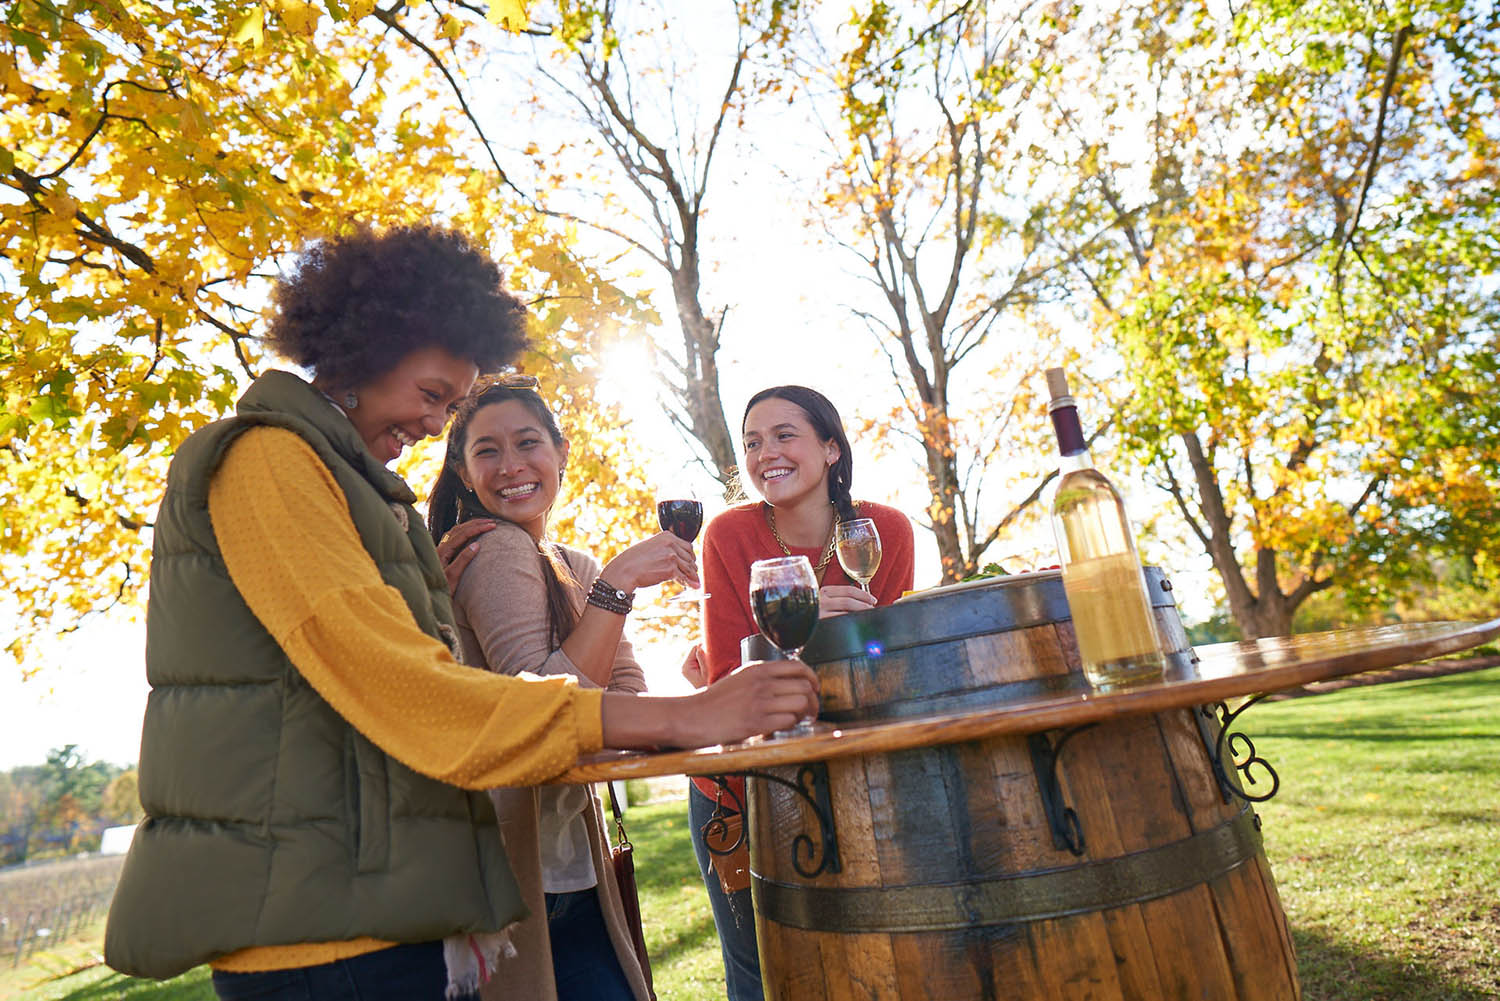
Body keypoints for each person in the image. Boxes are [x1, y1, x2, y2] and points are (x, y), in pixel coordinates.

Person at [103, 225, 818, 1001]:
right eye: (435, 395)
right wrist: (686, 717)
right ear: (371, 348)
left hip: (382, 906)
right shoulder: (271, 461)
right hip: (323, 941)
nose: (436, 423)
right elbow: (413, 696)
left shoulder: (363, 493)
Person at [426, 377, 695, 1001]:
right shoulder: (495, 550)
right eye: (486, 451)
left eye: (527, 442)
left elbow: (628, 701)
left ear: (562, 451)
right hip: (511, 874)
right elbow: (545, 704)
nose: (512, 465)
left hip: (568, 868)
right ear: (463, 474)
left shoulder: (576, 567)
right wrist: (621, 585)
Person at [684, 385, 915, 1001]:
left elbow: (882, 670)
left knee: (869, 962)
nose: (765, 454)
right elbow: (725, 685)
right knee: (764, 975)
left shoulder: (882, 531)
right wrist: (807, 625)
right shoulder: (728, 537)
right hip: (747, 790)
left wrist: (850, 636)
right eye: (752, 443)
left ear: (831, 448)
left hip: (856, 777)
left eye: (785, 435)